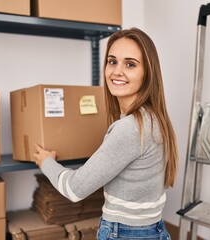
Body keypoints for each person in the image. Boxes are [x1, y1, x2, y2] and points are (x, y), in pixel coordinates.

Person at [33, 27, 178, 240]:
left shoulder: (130, 128)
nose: (117, 71)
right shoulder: (154, 118)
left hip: (125, 234)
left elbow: (75, 189)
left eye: (130, 64)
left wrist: (45, 162)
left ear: (148, 72)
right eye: (112, 61)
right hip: (152, 229)